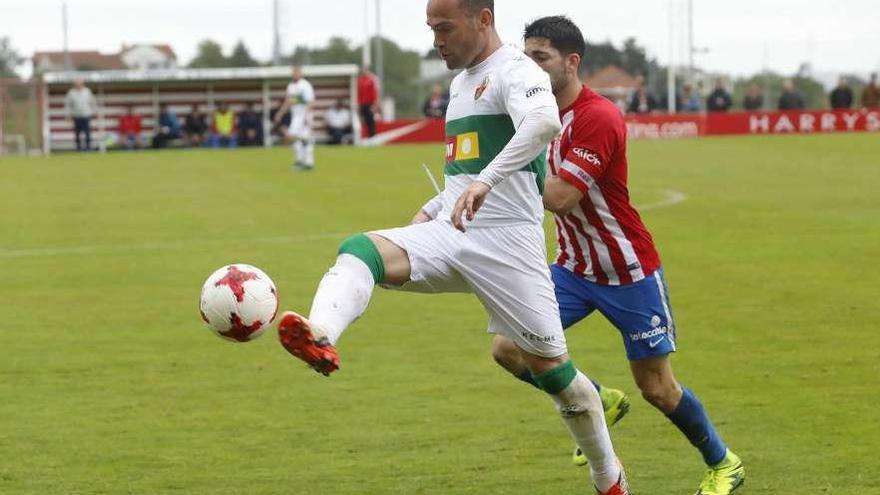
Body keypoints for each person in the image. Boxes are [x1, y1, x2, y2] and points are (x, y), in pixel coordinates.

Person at [275, 2, 628, 494]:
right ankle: (321, 334)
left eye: (444, 28)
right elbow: (461, 178)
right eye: (431, 30)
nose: (436, 40)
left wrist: (484, 183)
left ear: (483, 19)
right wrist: (430, 210)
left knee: (559, 379)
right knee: (361, 250)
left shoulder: (516, 69)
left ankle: (609, 478)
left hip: (510, 245)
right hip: (454, 232)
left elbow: (543, 122)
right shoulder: (462, 85)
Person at [494, 15, 744, 495]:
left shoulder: (598, 117)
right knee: (508, 347)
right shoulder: (532, 115)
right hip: (572, 266)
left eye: (541, 58)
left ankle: (724, 462)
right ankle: (598, 399)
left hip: (626, 270)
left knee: (657, 389)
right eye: (526, 58)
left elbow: (562, 196)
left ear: (572, 62)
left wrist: (499, 172)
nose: (531, 67)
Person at [272, 65, 316, 170]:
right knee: (295, 137)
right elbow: (288, 101)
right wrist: (280, 113)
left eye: (297, 72)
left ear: (301, 73)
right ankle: (300, 160)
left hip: (305, 114)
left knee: (300, 137)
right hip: (296, 116)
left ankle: (309, 162)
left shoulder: (305, 85)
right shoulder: (290, 86)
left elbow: (310, 102)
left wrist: (306, 116)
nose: (295, 74)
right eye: (293, 72)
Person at [64, 78, 97, 151]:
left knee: (87, 132)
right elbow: (68, 105)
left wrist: (94, 112)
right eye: (77, 83)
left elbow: (92, 102)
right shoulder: (71, 92)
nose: (78, 84)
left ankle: (88, 147)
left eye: (80, 83)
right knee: (77, 133)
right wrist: (68, 114)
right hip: (76, 115)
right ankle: (78, 148)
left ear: (82, 83)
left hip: (86, 114)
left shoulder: (87, 91)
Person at [357, 65, 380, 137]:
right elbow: (358, 93)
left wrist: (375, 104)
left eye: (365, 70)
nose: (363, 72)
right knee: (363, 121)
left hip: (370, 104)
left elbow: (376, 92)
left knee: (370, 120)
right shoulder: (360, 80)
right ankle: (363, 136)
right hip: (362, 104)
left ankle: (372, 136)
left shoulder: (373, 79)